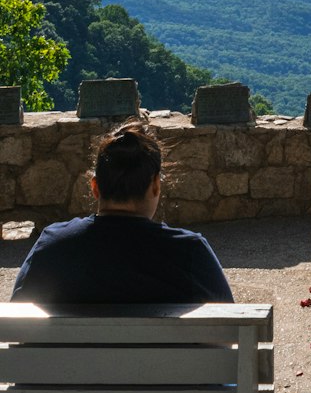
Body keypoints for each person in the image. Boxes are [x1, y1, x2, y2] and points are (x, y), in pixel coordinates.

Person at [11, 123, 234, 304]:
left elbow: (18, 322)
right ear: (156, 186)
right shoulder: (191, 252)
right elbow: (229, 330)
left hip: (68, 361)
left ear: (95, 187)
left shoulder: (52, 246)